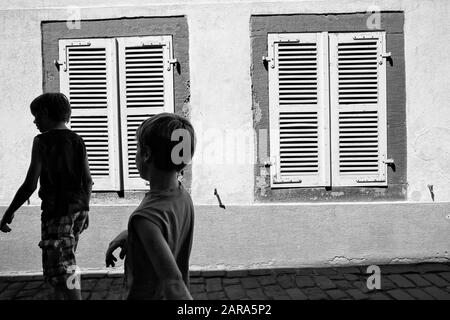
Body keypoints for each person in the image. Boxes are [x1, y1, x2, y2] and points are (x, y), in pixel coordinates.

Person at [0, 93, 92, 300]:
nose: (34, 121)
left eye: (36, 116)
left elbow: (30, 184)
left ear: (45, 114)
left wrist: (9, 211)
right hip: (78, 210)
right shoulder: (77, 140)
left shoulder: (42, 141)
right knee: (67, 260)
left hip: (57, 213)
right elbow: (87, 180)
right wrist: (86, 209)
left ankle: (72, 297)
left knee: (61, 267)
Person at [105, 113, 196, 300]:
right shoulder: (182, 196)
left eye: (137, 148)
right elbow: (166, 229)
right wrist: (132, 235)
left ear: (146, 154)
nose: (135, 154)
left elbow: (173, 283)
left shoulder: (145, 217)